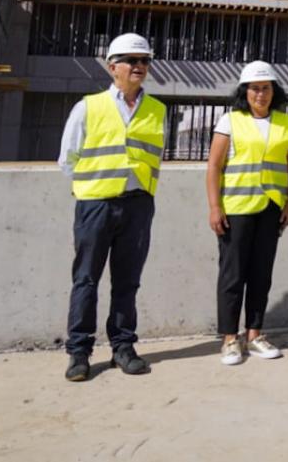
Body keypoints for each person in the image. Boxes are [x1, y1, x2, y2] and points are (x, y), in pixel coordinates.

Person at [60, 33, 165, 382]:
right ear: (112, 66)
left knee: (127, 281)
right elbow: (68, 159)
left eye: (144, 61)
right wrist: (91, 190)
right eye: (131, 61)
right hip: (96, 205)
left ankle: (123, 347)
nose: (139, 67)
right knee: (86, 279)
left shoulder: (156, 109)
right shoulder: (88, 107)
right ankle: (79, 352)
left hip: (137, 206)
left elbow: (153, 157)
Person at [206, 60, 288, 366]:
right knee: (233, 275)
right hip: (237, 208)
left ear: (275, 91)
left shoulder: (285, 122)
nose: (261, 94)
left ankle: (255, 334)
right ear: (245, 92)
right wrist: (215, 206)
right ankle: (230, 339)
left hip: (271, 207)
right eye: (255, 89)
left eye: (266, 88)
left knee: (261, 274)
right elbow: (215, 166)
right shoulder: (230, 121)